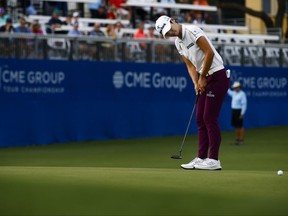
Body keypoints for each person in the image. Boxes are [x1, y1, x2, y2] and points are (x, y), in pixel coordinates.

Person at [155, 15, 230, 170]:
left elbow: (209, 52)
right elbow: (190, 66)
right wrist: (196, 82)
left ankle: (214, 160)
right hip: (204, 78)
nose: (171, 33)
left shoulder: (192, 30)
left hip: (217, 76)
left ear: (172, 21)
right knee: (200, 119)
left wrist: (202, 77)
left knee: (209, 117)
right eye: (167, 34)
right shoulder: (178, 43)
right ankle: (201, 158)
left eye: (170, 30)